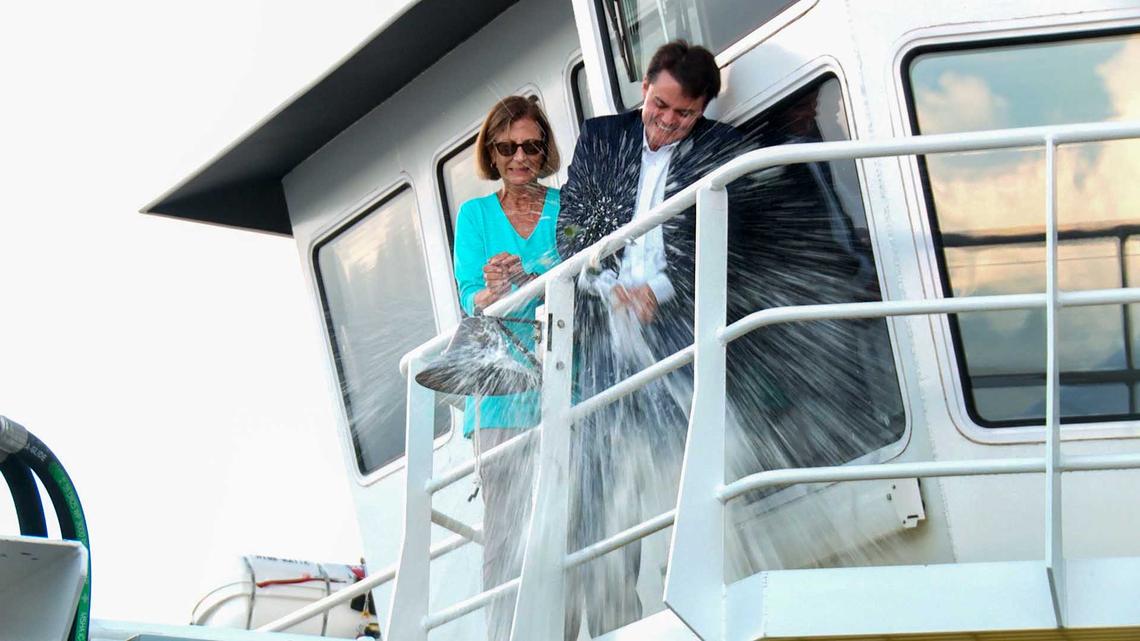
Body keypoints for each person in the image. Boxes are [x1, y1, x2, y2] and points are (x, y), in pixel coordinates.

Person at [556, 40, 746, 637]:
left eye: (683, 113)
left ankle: (702, 601)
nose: (666, 122)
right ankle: (613, 619)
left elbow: (733, 245)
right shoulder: (600, 137)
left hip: (675, 332)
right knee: (603, 480)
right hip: (603, 334)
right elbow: (571, 232)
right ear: (644, 88)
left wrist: (659, 291)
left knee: (690, 463)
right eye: (659, 105)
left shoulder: (721, 148)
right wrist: (609, 286)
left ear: (702, 109)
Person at [451, 95, 562, 641]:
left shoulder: (567, 206)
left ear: (545, 150)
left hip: (567, 381)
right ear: (491, 153)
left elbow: (585, 273)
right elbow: (469, 293)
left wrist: (527, 281)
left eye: (531, 146)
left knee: (572, 521)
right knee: (506, 538)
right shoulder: (474, 216)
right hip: (499, 394)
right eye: (507, 147)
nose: (520, 157)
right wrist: (491, 290)